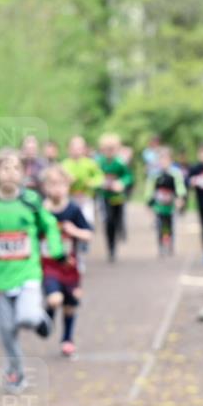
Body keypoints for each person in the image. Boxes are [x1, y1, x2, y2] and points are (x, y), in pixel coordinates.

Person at [0, 148, 64, 392]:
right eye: (4, 168)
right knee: (7, 331)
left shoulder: (31, 200)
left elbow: (48, 225)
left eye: (15, 168)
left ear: (23, 173)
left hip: (27, 272)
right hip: (0, 277)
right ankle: (16, 373)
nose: (10, 173)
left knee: (25, 317)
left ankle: (40, 320)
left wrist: (56, 249)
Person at [39, 165, 93, 358]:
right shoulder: (40, 212)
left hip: (71, 266)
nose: (57, 189)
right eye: (52, 184)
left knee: (71, 304)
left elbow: (88, 234)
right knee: (55, 299)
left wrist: (74, 231)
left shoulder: (73, 209)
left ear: (68, 187)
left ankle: (67, 340)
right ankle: (48, 319)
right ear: (45, 187)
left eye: (61, 184)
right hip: (48, 266)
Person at [95, 133, 133, 262]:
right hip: (105, 196)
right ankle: (110, 248)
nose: (109, 151)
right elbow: (95, 176)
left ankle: (118, 237)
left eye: (112, 148)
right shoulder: (99, 162)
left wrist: (121, 183)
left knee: (118, 220)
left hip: (118, 197)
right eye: (107, 149)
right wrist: (100, 183)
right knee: (108, 221)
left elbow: (128, 177)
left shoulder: (120, 163)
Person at [144, 147, 187, 257]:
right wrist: (149, 202)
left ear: (171, 160)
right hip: (159, 205)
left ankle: (170, 243)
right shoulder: (154, 174)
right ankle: (161, 246)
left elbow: (180, 187)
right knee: (159, 225)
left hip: (171, 205)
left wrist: (180, 198)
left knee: (169, 225)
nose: (163, 162)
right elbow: (149, 188)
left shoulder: (175, 173)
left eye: (166, 159)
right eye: (161, 159)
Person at [60, 135, 102, 226]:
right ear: (69, 149)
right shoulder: (65, 164)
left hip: (86, 198)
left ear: (84, 149)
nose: (76, 151)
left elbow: (99, 177)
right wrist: (67, 181)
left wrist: (91, 182)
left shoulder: (90, 163)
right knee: (70, 222)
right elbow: (59, 180)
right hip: (70, 198)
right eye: (74, 148)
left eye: (79, 148)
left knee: (87, 221)